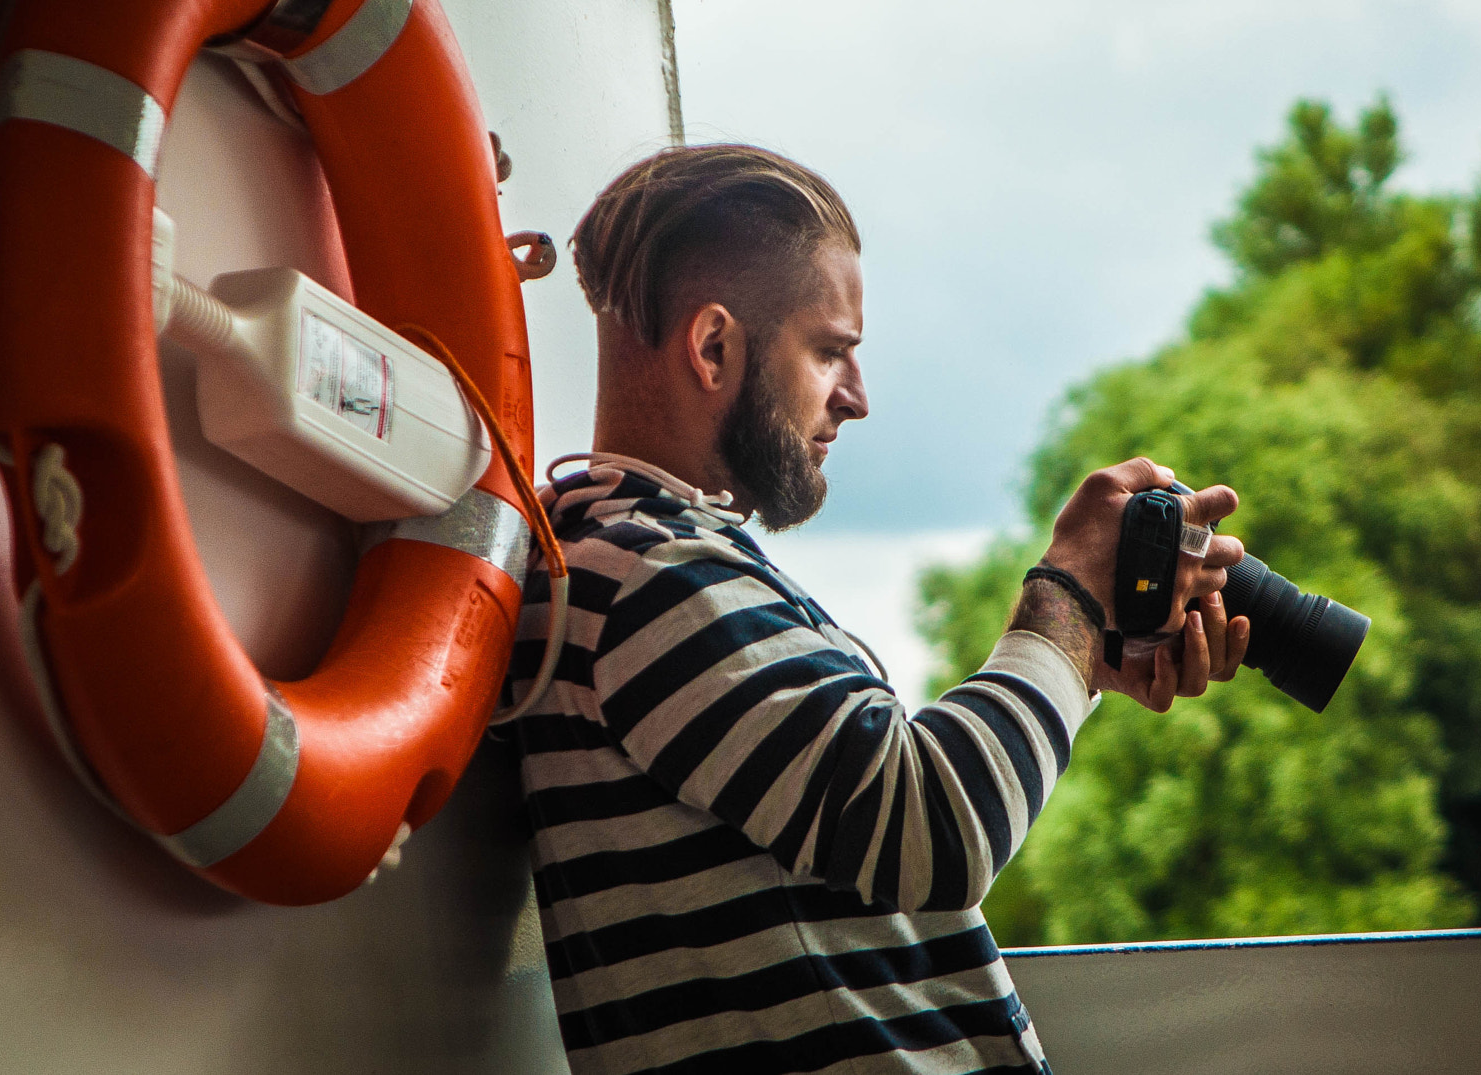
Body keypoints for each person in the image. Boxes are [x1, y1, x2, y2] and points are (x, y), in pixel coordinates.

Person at [506, 144, 1250, 1075]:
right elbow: (933, 825)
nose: (857, 398)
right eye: (830, 352)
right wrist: (1067, 592)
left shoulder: (661, 567)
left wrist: (1088, 653)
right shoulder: (646, 578)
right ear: (713, 346)